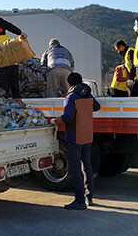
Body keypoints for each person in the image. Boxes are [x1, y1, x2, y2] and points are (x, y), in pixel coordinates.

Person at [51, 72, 101, 210]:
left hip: (75, 137)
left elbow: (68, 116)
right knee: (87, 167)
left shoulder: (71, 97)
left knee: (76, 169)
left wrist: (55, 120)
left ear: (69, 84)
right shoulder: (88, 95)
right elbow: (97, 107)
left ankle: (79, 201)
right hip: (87, 136)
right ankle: (89, 197)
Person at [0, 27, 20, 99]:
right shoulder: (12, 39)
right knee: (14, 84)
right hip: (14, 65)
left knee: (4, 85)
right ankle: (18, 100)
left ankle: (4, 101)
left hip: (4, 65)